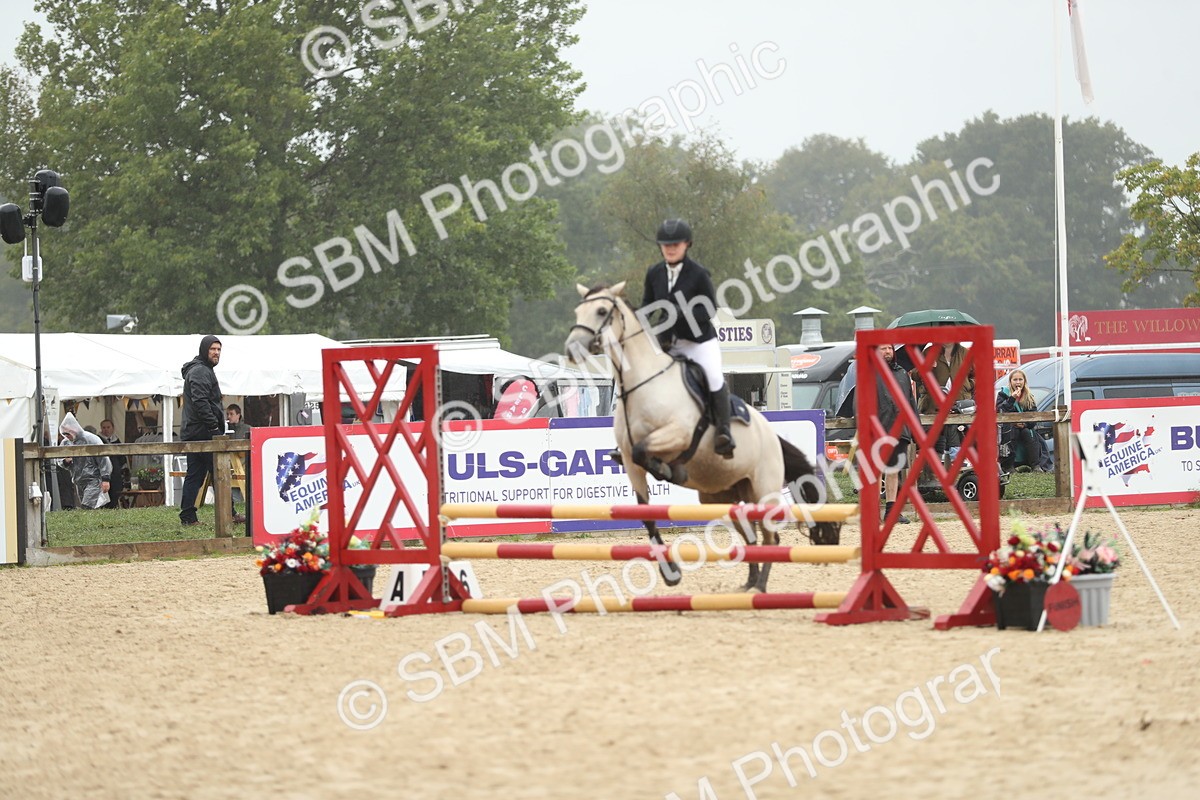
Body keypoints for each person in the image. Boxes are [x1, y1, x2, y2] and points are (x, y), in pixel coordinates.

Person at [639, 218, 733, 457]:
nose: (670, 248)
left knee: (713, 377)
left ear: (687, 244)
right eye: (666, 244)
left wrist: (680, 315)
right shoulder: (654, 273)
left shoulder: (699, 274)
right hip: (669, 344)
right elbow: (648, 305)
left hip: (699, 342)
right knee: (643, 380)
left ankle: (724, 432)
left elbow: (709, 310)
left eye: (676, 244)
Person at [179, 335, 225, 526]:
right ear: (204, 350)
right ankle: (228, 513)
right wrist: (213, 426)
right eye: (213, 349)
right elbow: (201, 402)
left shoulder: (202, 369)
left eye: (219, 349)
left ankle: (188, 515)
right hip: (203, 431)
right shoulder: (200, 371)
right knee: (219, 472)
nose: (216, 352)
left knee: (196, 475)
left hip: (196, 430)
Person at [875, 344, 917, 524]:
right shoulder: (870, 372)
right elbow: (860, 402)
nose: (887, 352)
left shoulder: (902, 374)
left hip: (900, 430)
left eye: (890, 349)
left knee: (893, 471)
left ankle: (891, 512)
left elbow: (910, 402)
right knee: (875, 472)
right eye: (883, 349)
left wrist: (916, 430)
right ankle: (873, 511)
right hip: (877, 429)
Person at [917, 341, 975, 453]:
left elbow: (977, 375)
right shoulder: (929, 352)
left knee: (960, 437)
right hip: (934, 405)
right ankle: (936, 465)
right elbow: (915, 374)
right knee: (936, 441)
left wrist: (968, 385)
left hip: (959, 404)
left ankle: (958, 464)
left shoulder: (965, 353)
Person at [996, 369, 1054, 472]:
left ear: (1024, 381)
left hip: (1025, 427)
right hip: (1008, 427)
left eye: (1020, 379)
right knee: (1012, 432)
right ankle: (1008, 466)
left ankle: (1035, 465)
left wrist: (1025, 424)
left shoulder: (1029, 396)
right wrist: (1012, 398)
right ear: (1010, 381)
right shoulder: (1003, 394)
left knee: (1029, 433)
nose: (1018, 382)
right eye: (1015, 380)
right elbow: (1000, 410)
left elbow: (1033, 416)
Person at [58, 412, 111, 510]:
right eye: (64, 434)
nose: (66, 436)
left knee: (88, 506)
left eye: (67, 433)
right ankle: (94, 523)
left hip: (94, 479)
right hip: (78, 480)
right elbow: (59, 459)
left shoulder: (91, 439)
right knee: (87, 506)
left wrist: (105, 479)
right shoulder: (66, 442)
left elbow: (103, 459)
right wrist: (66, 461)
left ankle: (91, 523)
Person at [225, 403, 250, 524]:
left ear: (238, 415)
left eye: (231, 414)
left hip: (245, 467)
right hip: (229, 468)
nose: (229, 417)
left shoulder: (247, 429)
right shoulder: (225, 429)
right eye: (227, 414)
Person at [99, 418, 126, 509]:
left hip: (115, 474)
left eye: (108, 427)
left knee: (115, 495)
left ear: (113, 428)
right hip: (102, 474)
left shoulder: (117, 441)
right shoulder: (98, 440)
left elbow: (122, 459)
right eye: (104, 427)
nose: (106, 429)